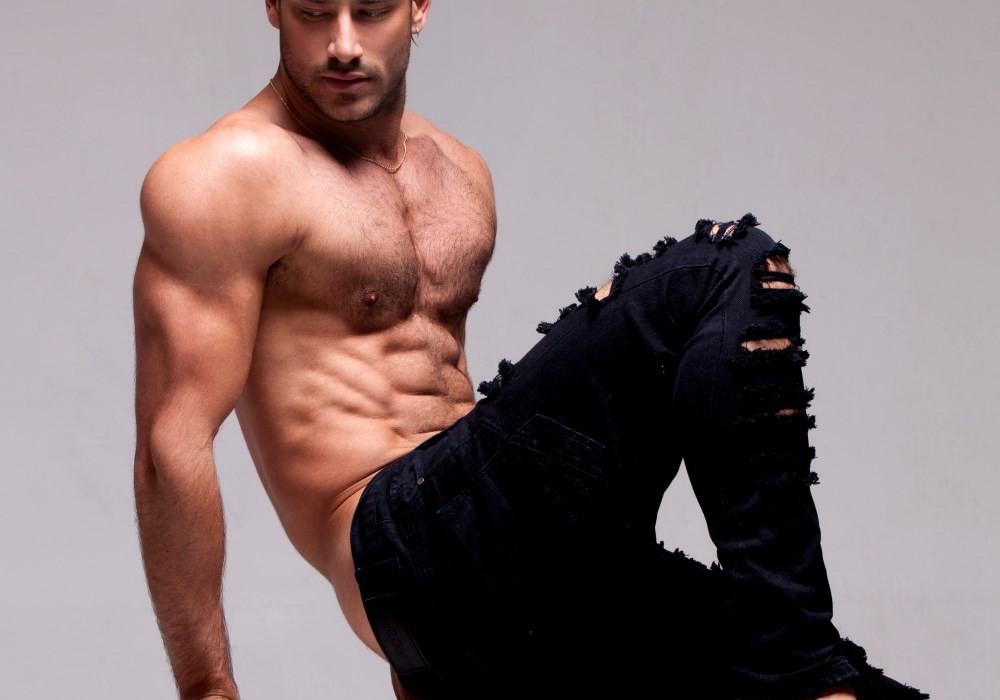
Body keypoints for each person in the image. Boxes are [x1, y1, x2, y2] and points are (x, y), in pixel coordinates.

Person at [132, 2, 928, 699]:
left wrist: (432, 670)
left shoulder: (460, 174)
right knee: (726, 267)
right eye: (314, 13)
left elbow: (448, 415)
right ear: (273, 7)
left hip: (516, 589)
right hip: (397, 543)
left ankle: (805, 672)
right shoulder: (224, 174)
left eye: (370, 10)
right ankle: (800, 666)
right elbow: (172, 445)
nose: (342, 43)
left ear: (418, 7)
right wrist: (208, 689)